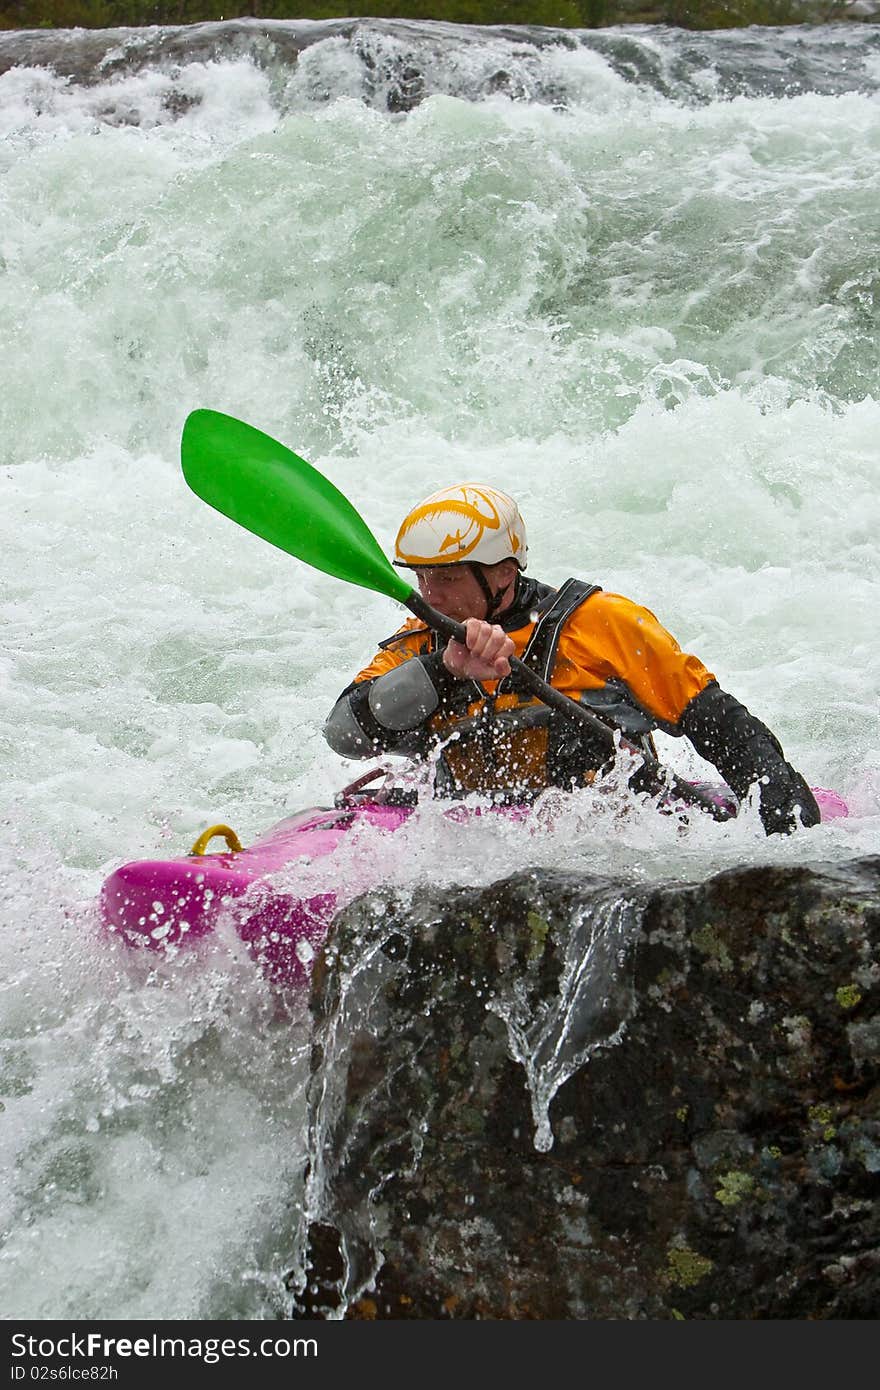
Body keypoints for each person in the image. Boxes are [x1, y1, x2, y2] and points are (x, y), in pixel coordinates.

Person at [324, 483, 820, 835]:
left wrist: (778, 803)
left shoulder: (601, 623)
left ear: (501, 573)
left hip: (597, 831)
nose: (429, 596)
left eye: (448, 579)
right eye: (422, 579)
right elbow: (344, 735)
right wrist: (442, 671)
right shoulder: (421, 643)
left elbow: (710, 716)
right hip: (467, 833)